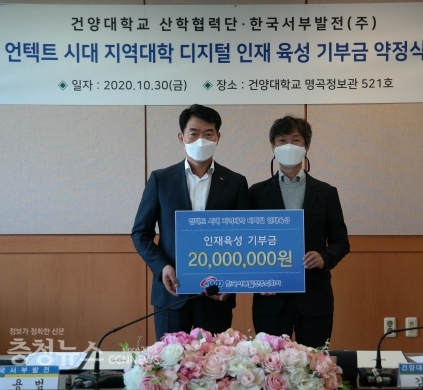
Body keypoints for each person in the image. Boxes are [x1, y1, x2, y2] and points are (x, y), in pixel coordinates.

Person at [132, 104, 250, 339]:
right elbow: (140, 233)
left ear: (218, 138)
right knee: (170, 359)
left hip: (216, 293)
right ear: (181, 138)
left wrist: (232, 281)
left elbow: (244, 237)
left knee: (216, 360)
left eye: (208, 134)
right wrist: (162, 267)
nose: (201, 140)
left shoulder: (235, 182)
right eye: (194, 133)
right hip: (172, 293)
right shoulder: (161, 179)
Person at [249, 115, 350, 348]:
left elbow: (341, 241)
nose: (289, 146)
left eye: (296, 140)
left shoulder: (326, 193)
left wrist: (324, 257)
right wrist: (257, 280)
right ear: (273, 147)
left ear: (307, 146)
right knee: (269, 364)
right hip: (271, 300)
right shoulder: (256, 193)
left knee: (315, 364)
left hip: (315, 297)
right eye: (282, 141)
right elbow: (246, 244)